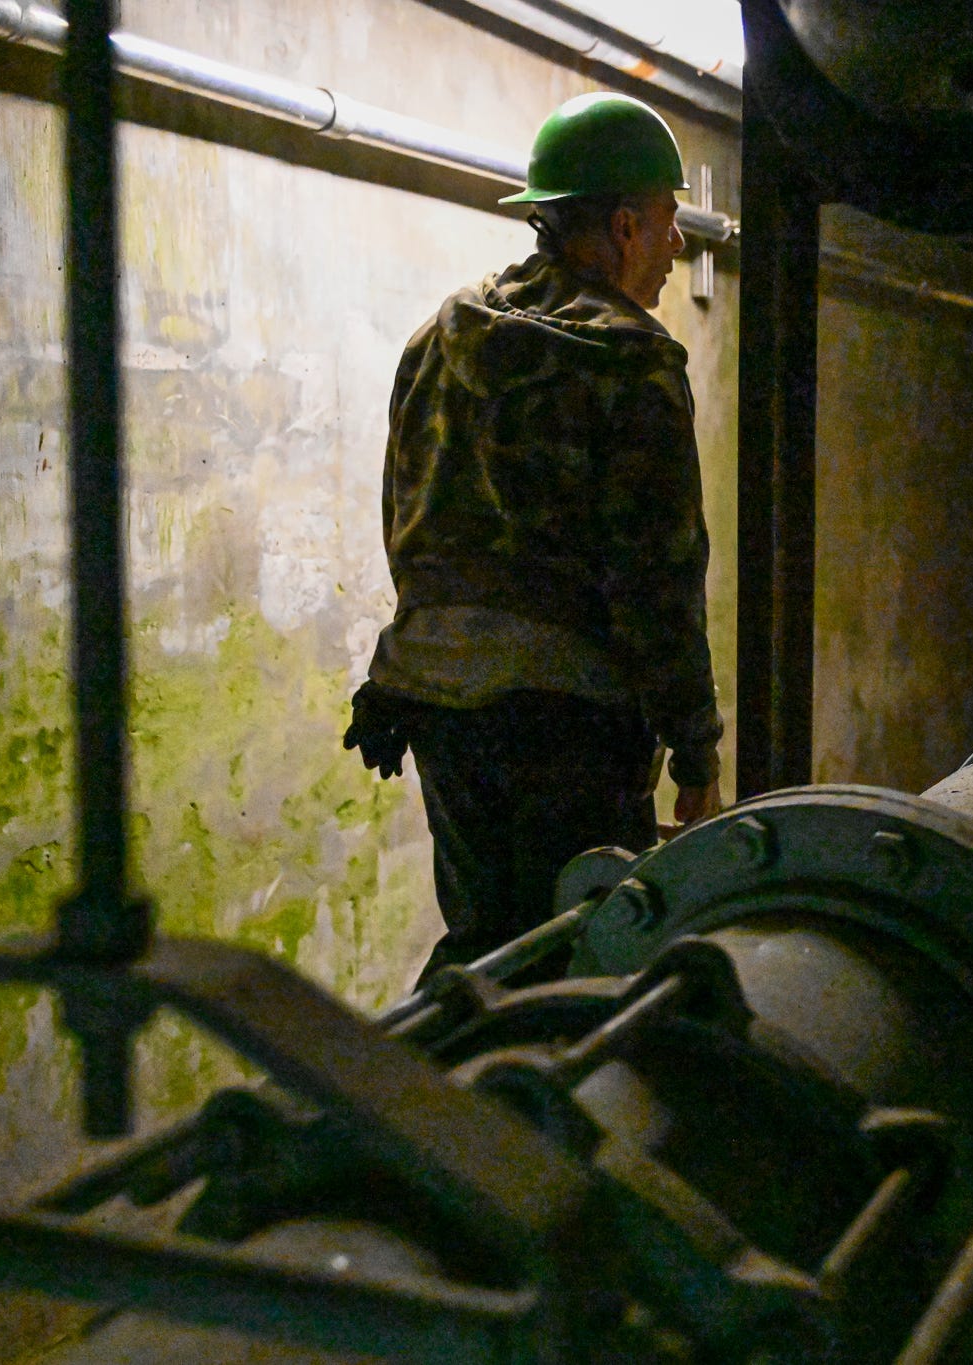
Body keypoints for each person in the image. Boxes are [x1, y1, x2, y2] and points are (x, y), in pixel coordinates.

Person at [344, 91, 724, 985]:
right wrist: (697, 750)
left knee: (485, 941)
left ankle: (441, 1093)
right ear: (625, 226)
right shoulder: (634, 359)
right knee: (586, 948)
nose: (678, 246)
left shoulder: (439, 335)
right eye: (670, 221)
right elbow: (660, 577)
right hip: (568, 719)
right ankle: (544, 1111)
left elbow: (407, 521)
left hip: (432, 696)